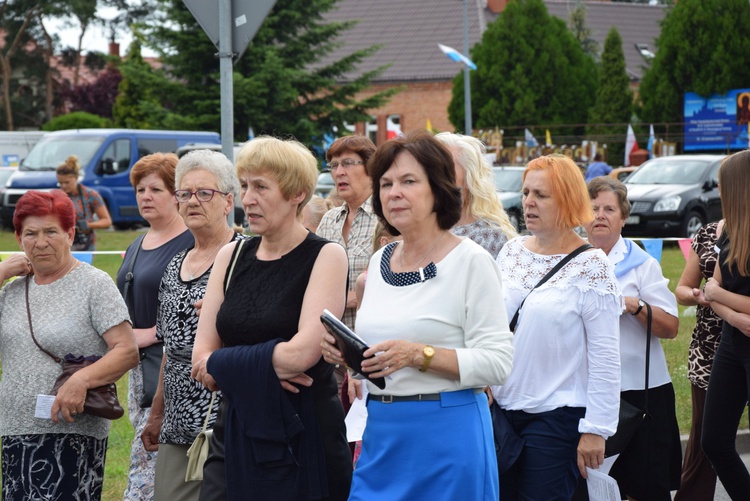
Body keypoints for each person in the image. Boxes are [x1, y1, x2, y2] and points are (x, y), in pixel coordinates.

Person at [322, 131, 514, 500]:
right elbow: (383, 355)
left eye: (409, 181)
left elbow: (497, 364)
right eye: (386, 183)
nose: (394, 192)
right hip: (381, 435)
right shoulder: (379, 263)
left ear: (438, 189)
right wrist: (350, 356)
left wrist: (418, 354)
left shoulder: (471, 261)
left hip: (448, 437)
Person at [191, 136, 352, 500]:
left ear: (296, 194)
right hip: (235, 430)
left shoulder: (326, 256)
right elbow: (200, 361)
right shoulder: (229, 257)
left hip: (302, 434)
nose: (248, 198)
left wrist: (225, 365)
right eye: (245, 186)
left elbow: (302, 355)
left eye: (261, 187)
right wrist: (261, 365)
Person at [492, 154, 621, 500]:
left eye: (541, 195)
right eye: (525, 193)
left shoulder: (593, 265)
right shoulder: (511, 251)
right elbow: (490, 326)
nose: (528, 203)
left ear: (566, 200)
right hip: (498, 412)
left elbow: (606, 356)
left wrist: (596, 429)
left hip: (556, 418)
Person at [0, 190, 138, 500]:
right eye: (30, 234)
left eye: (51, 231)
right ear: (19, 240)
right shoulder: (11, 292)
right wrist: (1, 273)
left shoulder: (94, 284)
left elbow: (127, 350)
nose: (40, 242)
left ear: (70, 234)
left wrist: (80, 380)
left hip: (72, 434)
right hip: (15, 433)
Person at [139, 150, 244, 500]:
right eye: (184, 193)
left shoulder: (245, 257)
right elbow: (169, 348)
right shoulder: (175, 264)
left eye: (205, 193)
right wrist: (157, 414)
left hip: (226, 414)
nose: (192, 201)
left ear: (229, 201)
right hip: (176, 419)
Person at [584, 176, 681, 500]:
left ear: (623, 217)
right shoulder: (571, 262)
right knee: (590, 487)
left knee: (646, 488)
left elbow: (670, 327)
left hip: (642, 395)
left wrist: (635, 305)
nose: (600, 214)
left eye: (609, 208)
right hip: (587, 393)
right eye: (593, 207)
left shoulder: (643, 264)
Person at [117, 153, 195, 501]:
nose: (145, 196)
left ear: (176, 193)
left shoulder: (190, 243)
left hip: (168, 366)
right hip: (136, 370)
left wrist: (151, 333)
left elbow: (190, 303)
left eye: (156, 189)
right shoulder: (137, 243)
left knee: (148, 465)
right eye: (140, 189)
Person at [701, 150, 750, 500]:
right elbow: (709, 289)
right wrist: (735, 316)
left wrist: (721, 296)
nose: (718, 190)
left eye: (722, 185)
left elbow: (717, 290)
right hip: (733, 341)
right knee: (714, 441)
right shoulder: (729, 232)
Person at [673, 220, 724, 500]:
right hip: (708, 348)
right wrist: (697, 296)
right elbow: (682, 289)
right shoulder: (707, 231)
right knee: (704, 437)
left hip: (742, 340)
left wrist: (721, 298)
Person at [316, 135, 378, 331]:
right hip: (329, 345)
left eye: (348, 164)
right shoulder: (328, 220)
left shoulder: (387, 219)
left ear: (371, 168)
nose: (339, 172)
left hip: (372, 344)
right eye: (333, 166)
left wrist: (357, 295)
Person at [436, 132, 517, 257]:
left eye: (445, 168)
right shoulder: (415, 229)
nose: (435, 177)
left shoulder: (490, 237)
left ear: (469, 178)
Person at [55, 155, 112, 251]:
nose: (63, 186)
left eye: (67, 182)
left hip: (85, 244)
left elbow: (107, 221)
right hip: (62, 243)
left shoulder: (91, 195)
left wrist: (88, 225)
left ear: (76, 178)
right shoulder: (56, 196)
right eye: (60, 183)